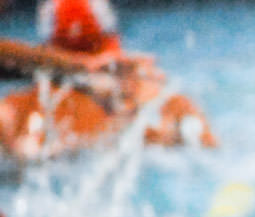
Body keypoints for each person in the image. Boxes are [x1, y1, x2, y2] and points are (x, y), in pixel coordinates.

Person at [0, 0, 216, 162]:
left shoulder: (11, 113)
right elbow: (211, 154)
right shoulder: (160, 101)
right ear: (113, 42)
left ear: (46, 49)